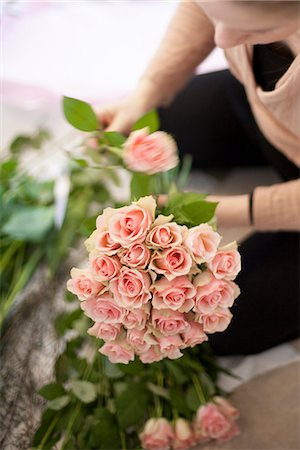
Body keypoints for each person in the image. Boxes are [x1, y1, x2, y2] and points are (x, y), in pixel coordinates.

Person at [98, 0, 300, 355]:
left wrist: (223, 210)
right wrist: (145, 94)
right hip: (269, 115)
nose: (222, 41)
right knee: (156, 122)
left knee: (206, 320)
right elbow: (203, 8)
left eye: (257, 29)